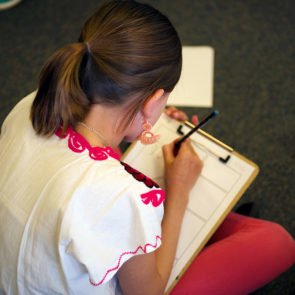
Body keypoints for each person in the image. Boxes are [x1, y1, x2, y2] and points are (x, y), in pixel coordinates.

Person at [0, 1, 294, 295]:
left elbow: (76, 164)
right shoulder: (122, 198)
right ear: (153, 101)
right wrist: (178, 195)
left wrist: (138, 121)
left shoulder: (34, 103)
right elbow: (147, 292)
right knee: (276, 242)